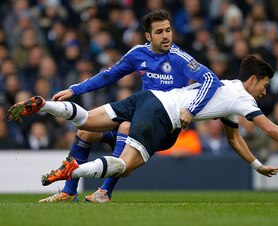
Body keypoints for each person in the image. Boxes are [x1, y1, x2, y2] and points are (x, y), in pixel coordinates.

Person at [8, 55, 278, 187]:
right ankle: (75, 170)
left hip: (149, 97)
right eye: (265, 84)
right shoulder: (242, 97)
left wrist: (257, 164)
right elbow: (269, 128)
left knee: (88, 123)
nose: (265, 91)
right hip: (164, 116)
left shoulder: (229, 96)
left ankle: (47, 105)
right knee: (125, 166)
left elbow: (234, 139)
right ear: (254, 80)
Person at [22, 9, 221, 203]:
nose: (166, 36)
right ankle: (68, 192)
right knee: (84, 131)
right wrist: (75, 90)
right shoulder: (138, 53)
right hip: (140, 117)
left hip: (162, 129)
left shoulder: (180, 58)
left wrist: (192, 109)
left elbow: (210, 79)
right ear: (148, 36)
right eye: (159, 32)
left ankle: (104, 192)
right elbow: (109, 75)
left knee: (125, 126)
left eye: (168, 30)